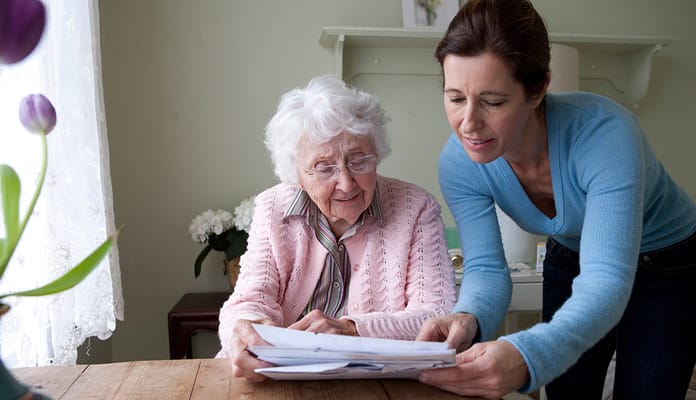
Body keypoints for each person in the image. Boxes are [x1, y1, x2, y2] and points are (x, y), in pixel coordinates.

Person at [415, 0, 696, 399]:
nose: (469, 124)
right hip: (570, 255)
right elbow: (485, 268)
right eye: (456, 98)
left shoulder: (606, 135)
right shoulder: (459, 162)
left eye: (493, 102)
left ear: (538, 89)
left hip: (668, 264)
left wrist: (526, 355)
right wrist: (469, 316)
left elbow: (606, 281)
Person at [216, 75, 457, 381]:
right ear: (297, 174)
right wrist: (246, 329)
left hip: (376, 384)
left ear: (377, 153)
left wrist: (350, 329)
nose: (346, 183)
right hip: (279, 379)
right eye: (324, 167)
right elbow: (249, 299)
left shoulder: (416, 208)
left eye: (359, 161)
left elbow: (436, 314)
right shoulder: (272, 208)